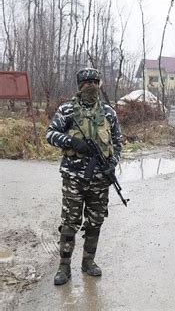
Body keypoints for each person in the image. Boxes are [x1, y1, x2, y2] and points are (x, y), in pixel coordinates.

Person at [46, 67, 122, 285]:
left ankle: (88, 262)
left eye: (94, 82)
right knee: (70, 222)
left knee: (95, 221)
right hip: (74, 177)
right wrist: (72, 142)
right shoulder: (67, 110)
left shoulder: (108, 113)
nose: (91, 86)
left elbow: (117, 142)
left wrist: (112, 164)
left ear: (99, 85)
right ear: (80, 86)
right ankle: (64, 267)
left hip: (100, 178)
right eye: (87, 82)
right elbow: (50, 134)